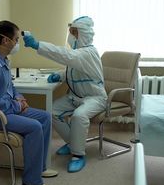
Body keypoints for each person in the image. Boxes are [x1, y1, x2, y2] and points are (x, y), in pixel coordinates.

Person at [0, 20, 58, 185]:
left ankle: (38, 168)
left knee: (45, 117)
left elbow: (10, 87)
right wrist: (16, 105)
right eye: (16, 39)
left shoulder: (2, 59)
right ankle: (31, 182)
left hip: (5, 109)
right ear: (5, 41)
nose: (18, 43)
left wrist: (19, 98)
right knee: (34, 127)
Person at [23, 16, 107, 173]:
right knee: (52, 112)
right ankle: (73, 143)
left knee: (79, 116)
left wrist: (37, 45)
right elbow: (73, 68)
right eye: (70, 31)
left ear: (82, 34)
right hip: (75, 96)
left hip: (95, 98)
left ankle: (78, 155)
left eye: (74, 32)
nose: (71, 35)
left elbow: (65, 55)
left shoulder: (88, 53)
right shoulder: (79, 53)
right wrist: (60, 75)